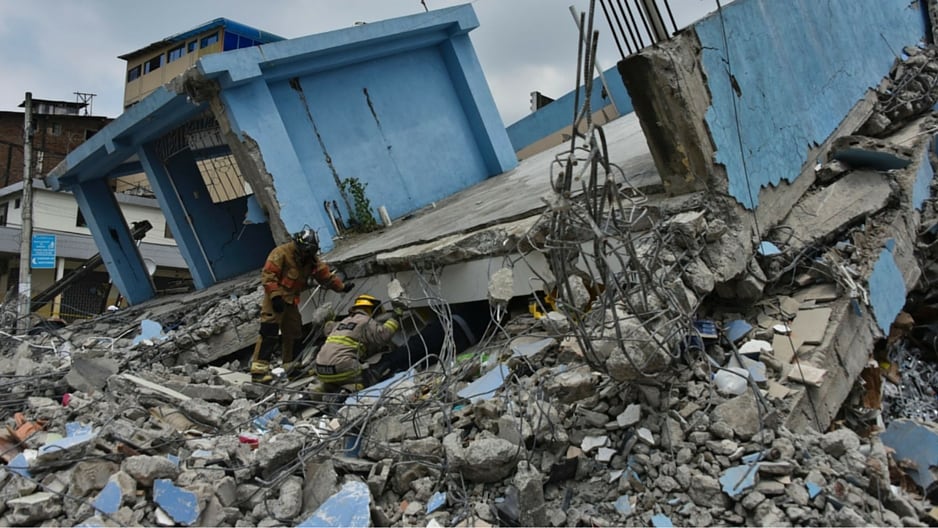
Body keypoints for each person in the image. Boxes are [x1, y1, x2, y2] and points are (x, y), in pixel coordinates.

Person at [251, 226, 354, 383]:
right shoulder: (281, 253)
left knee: (294, 333)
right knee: (269, 331)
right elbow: (268, 275)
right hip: (275, 299)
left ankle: (292, 367)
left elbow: (324, 275)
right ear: (300, 247)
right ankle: (258, 372)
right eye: (307, 251)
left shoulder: (309, 260)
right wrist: (275, 296)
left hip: (291, 300)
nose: (309, 255)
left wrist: (341, 287)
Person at [314, 294, 402, 393]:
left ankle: (312, 394)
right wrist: (395, 317)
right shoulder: (366, 321)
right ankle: (344, 393)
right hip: (343, 366)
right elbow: (383, 336)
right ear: (372, 309)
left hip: (321, 369)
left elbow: (328, 330)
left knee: (333, 382)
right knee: (368, 377)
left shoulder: (344, 321)